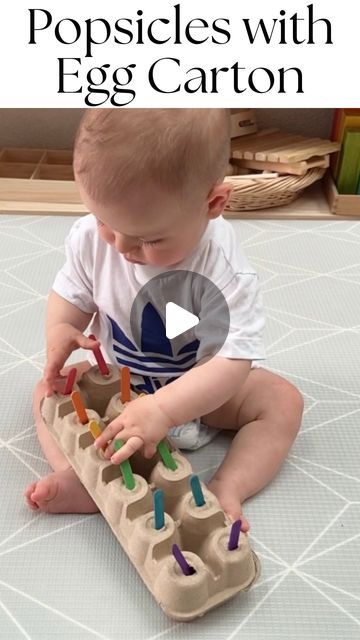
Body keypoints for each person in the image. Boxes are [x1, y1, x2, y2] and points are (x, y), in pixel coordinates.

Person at [24, 109, 303, 530]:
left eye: (149, 239)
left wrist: (166, 408)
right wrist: (62, 329)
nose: (120, 246)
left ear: (212, 204)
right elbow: (71, 293)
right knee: (47, 394)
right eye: (104, 222)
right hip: (119, 383)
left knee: (283, 402)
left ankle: (226, 488)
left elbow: (232, 361)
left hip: (201, 392)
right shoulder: (95, 237)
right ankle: (83, 476)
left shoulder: (222, 267)